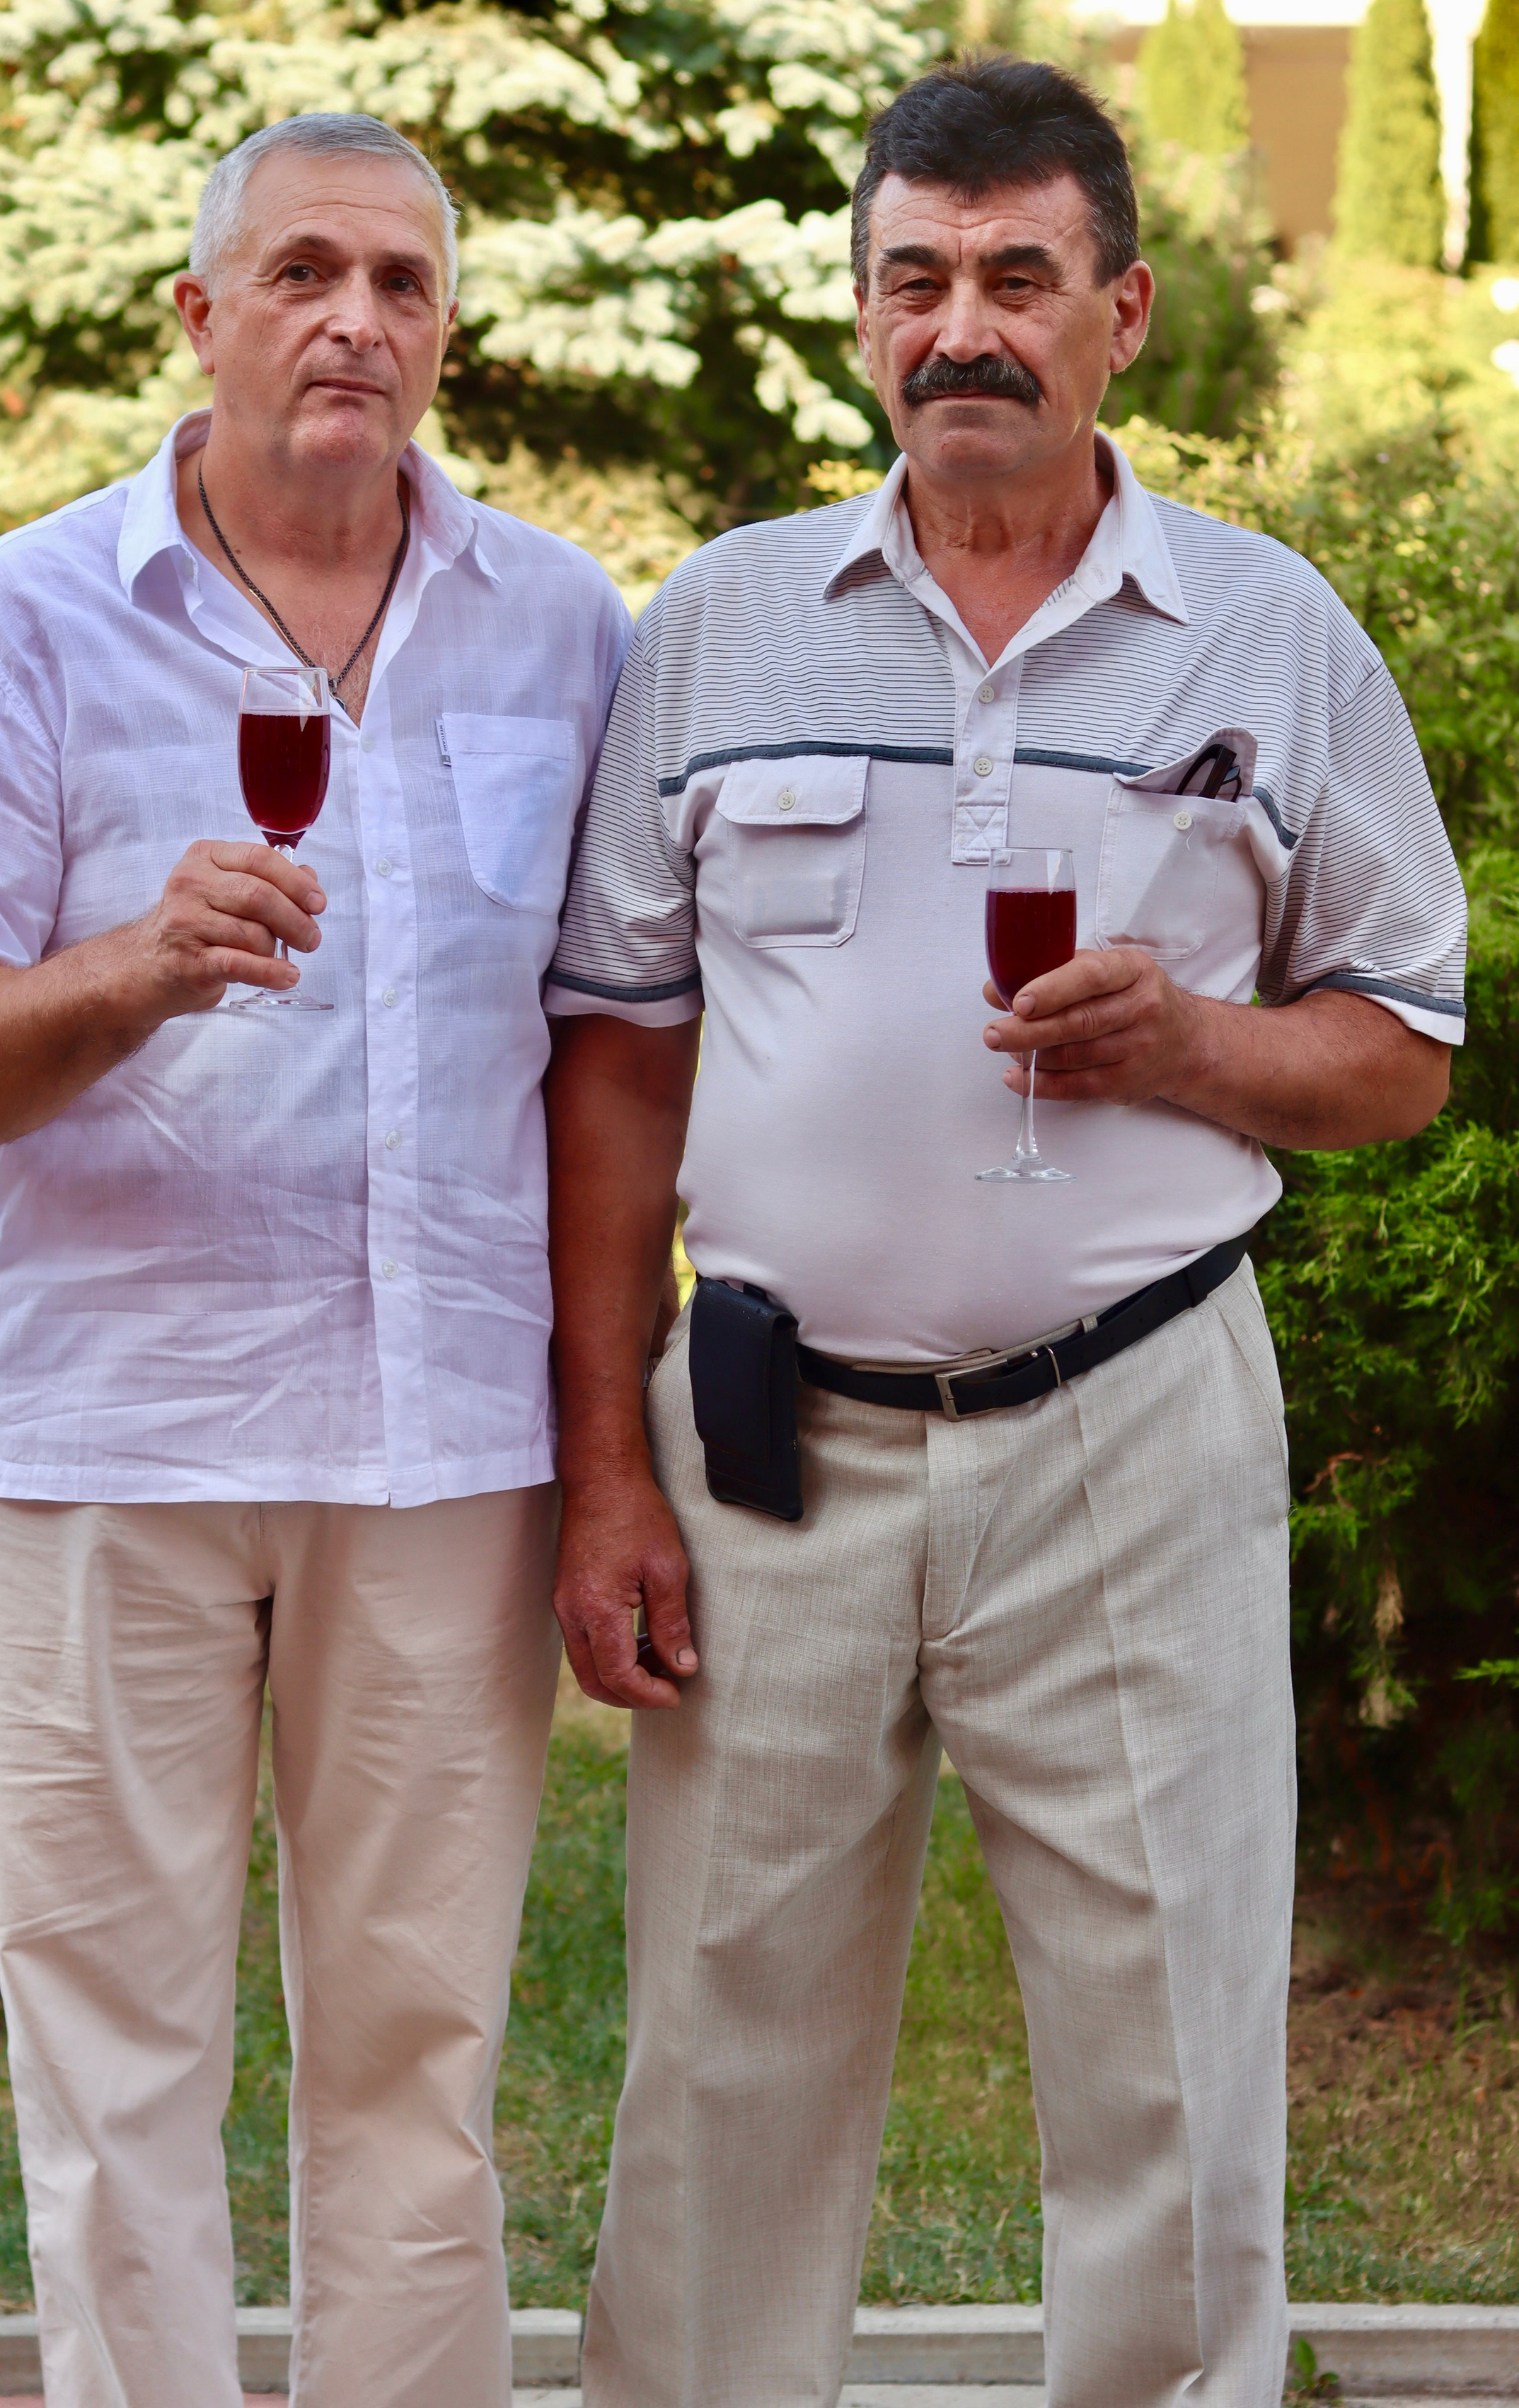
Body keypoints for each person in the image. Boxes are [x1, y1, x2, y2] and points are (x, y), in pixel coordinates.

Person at [543, 56, 1463, 2408]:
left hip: (1134, 1422)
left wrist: (1198, 1049)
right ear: (861, 316)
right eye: (918, 279)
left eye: (1020, 279)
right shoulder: (725, 625)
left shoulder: (1269, 635)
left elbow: (1405, 1048)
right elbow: (619, 1060)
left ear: (1122, 311)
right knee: (721, 2057)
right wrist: (609, 1471)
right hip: (772, 1441)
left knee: (1169, 2057)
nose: (968, 325)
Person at [0, 112, 628, 2408]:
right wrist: (130, 969)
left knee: (422, 2068)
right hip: (120, 1441)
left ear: (445, 335)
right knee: (115, 2077)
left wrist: (610, 1449)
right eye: (303, 273)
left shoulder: (568, 627)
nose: (355, 322)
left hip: (442, 1452)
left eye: (400, 283)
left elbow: (616, 1058)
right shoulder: (26, 618)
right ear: (200, 319)